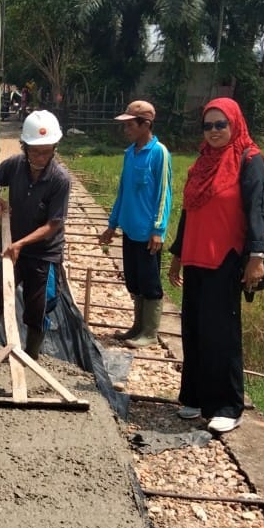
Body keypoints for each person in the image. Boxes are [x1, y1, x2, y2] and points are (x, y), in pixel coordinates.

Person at [168, 96, 264, 435]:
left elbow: (258, 210)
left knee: (221, 333)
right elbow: (189, 212)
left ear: (234, 124)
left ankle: (228, 405)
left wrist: (257, 257)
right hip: (196, 256)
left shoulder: (249, 159)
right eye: (208, 125)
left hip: (226, 258)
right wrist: (177, 256)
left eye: (220, 124)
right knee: (194, 329)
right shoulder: (202, 162)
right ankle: (195, 397)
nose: (213, 131)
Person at [0, 109, 71, 361]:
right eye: (35, 151)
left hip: (43, 253)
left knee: (38, 307)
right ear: (25, 147)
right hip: (12, 248)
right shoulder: (15, 165)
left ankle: (31, 356)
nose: (41, 157)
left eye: (46, 151)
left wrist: (22, 244)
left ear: (54, 148)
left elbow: (54, 224)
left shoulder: (60, 179)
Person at [97, 100, 172, 347]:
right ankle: (137, 326)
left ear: (145, 125)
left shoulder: (159, 153)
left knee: (150, 281)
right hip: (130, 229)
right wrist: (112, 224)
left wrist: (158, 229)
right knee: (134, 280)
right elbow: (123, 192)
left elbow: (164, 194)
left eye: (130, 125)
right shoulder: (130, 153)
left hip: (147, 233)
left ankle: (150, 332)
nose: (126, 129)